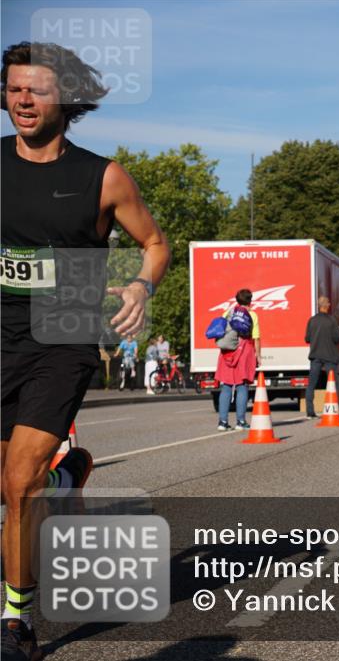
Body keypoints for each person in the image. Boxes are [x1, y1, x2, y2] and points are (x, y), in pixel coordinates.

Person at [1, 41, 169, 661]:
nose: (22, 99)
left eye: (36, 90)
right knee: (12, 485)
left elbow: (153, 243)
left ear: (64, 100)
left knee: (21, 484)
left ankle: (14, 620)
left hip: (62, 331)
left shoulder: (102, 176)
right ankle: (68, 476)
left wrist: (140, 283)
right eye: (14, 88)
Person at [215, 289, 260, 431]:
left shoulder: (227, 313)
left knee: (227, 386)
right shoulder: (252, 315)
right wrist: (258, 355)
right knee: (242, 386)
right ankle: (240, 421)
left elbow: (220, 332)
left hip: (227, 352)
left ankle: (222, 422)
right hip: (244, 350)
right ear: (250, 300)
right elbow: (255, 337)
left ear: (237, 300)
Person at [303, 296, 339, 419]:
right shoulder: (332, 320)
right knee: (333, 382)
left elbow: (307, 339)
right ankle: (334, 407)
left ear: (319, 306)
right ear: (327, 305)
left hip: (315, 356)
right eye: (329, 303)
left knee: (311, 384)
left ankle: (310, 411)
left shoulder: (311, 320)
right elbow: (337, 339)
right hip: (330, 356)